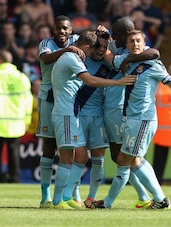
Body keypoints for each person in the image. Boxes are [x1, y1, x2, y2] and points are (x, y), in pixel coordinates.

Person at [89, 30, 171, 209]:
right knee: (134, 161)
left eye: (138, 41)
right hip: (132, 120)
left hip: (143, 119)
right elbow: (108, 56)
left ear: (144, 43)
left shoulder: (153, 65)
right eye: (131, 41)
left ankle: (109, 203)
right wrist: (106, 37)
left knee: (124, 161)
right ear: (127, 44)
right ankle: (159, 199)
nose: (135, 44)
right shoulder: (125, 62)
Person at [50, 30, 136, 209]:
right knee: (76, 156)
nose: (102, 50)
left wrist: (109, 34)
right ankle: (66, 197)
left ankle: (88, 197)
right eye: (99, 47)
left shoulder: (109, 61)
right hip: (75, 113)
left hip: (96, 115)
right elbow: (88, 78)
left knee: (97, 158)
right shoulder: (76, 57)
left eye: (106, 47)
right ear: (89, 47)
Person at [103, 16, 160, 209]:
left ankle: (149, 197)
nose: (112, 37)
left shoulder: (132, 48)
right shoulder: (120, 49)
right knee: (120, 157)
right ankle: (146, 197)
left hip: (120, 107)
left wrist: (128, 57)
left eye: (114, 33)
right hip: (113, 106)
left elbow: (154, 52)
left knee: (128, 158)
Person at [37, 15, 84, 208]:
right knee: (49, 146)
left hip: (72, 100)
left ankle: (73, 193)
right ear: (54, 30)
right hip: (49, 98)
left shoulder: (77, 40)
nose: (62, 32)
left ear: (71, 30)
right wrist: (68, 50)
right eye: (59, 28)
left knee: (74, 147)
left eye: (65, 28)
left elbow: (91, 43)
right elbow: (46, 59)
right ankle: (45, 196)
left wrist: (103, 32)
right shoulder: (46, 43)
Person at [0, 50, 33, 183]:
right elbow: (28, 100)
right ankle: (15, 177)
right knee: (14, 152)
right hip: (16, 121)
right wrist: (27, 119)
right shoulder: (21, 77)